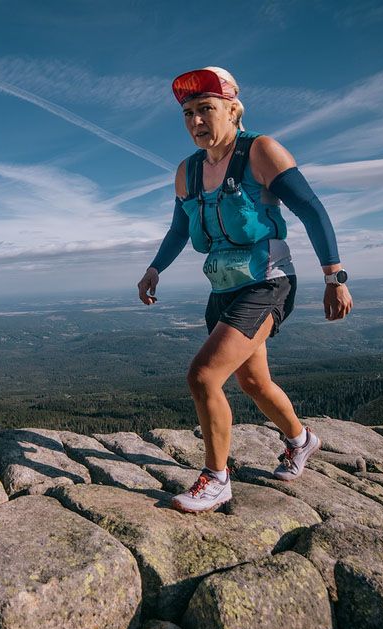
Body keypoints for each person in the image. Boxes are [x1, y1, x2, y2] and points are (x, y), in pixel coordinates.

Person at [137, 66, 352, 514]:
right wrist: (155, 268)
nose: (196, 121)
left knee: (203, 375)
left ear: (233, 110)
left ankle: (216, 479)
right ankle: (301, 439)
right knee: (253, 381)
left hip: (268, 282)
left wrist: (334, 277)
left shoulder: (260, 151)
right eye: (188, 113)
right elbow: (180, 228)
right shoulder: (188, 172)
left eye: (206, 110)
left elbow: (312, 210)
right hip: (223, 288)